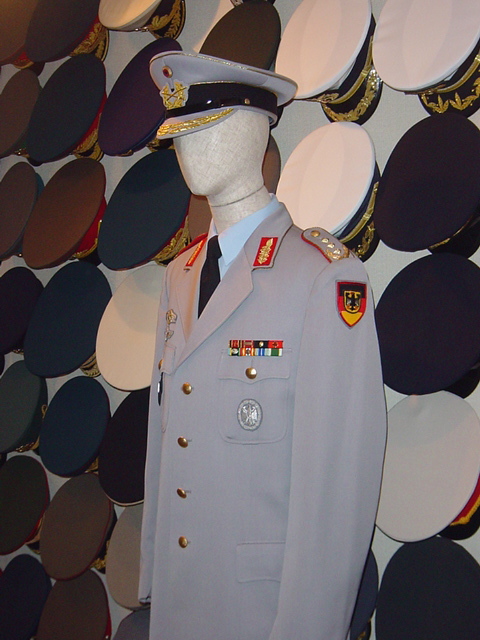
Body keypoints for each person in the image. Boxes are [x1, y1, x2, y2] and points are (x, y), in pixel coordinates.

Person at [139, 51, 386, 640]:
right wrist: (155, 572)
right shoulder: (180, 276)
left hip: (260, 613)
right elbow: (164, 442)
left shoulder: (322, 278)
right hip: (180, 603)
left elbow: (336, 490)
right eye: (180, 134)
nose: (187, 149)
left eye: (205, 129)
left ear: (254, 130)